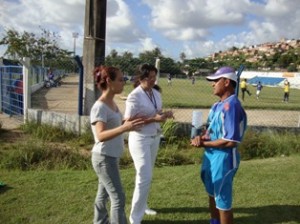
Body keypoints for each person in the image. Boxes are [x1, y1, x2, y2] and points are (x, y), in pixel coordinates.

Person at [191, 66, 247, 224]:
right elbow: (210, 130)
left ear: (227, 82)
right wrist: (200, 137)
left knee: (222, 198)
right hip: (211, 155)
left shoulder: (232, 106)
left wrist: (204, 144)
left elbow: (230, 141)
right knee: (212, 192)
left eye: (216, 80)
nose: (212, 84)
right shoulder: (217, 105)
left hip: (224, 158)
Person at [90, 65, 145, 224]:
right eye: (121, 80)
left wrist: (126, 122)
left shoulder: (111, 103)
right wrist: (124, 127)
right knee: (118, 198)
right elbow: (100, 135)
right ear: (109, 81)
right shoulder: (99, 107)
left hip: (110, 157)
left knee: (103, 194)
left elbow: (112, 126)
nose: (124, 83)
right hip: (104, 158)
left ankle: (99, 222)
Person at [124, 63, 173, 224]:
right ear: (140, 78)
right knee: (144, 176)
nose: (153, 80)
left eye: (154, 77)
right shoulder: (134, 96)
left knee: (147, 175)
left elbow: (156, 111)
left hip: (154, 137)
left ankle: (143, 205)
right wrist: (154, 119)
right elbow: (128, 120)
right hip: (140, 139)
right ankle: (135, 219)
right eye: (149, 77)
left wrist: (164, 114)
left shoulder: (156, 93)